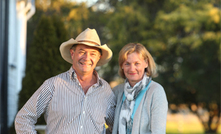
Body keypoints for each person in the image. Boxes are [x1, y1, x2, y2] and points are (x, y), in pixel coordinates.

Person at [15, 28, 116, 134]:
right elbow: (23, 118)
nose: (87, 58)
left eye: (93, 54)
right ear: (72, 54)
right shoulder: (53, 85)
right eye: (82, 52)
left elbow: (117, 126)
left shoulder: (106, 91)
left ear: (98, 58)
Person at [112, 43, 168, 134]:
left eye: (137, 63)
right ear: (122, 65)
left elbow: (158, 131)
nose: (132, 69)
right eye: (127, 64)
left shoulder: (156, 91)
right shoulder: (116, 92)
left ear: (146, 63)